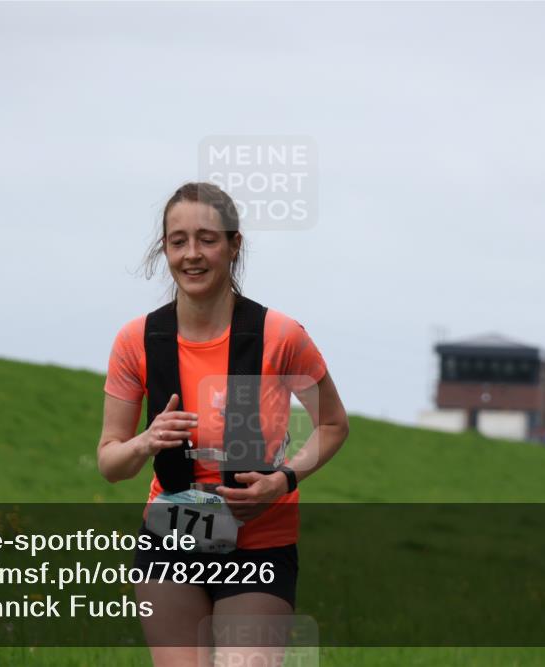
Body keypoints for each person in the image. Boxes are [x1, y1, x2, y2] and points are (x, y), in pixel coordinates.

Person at [97, 182, 350, 667]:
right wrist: (146, 442)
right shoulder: (137, 341)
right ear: (165, 250)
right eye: (178, 241)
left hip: (261, 545)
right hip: (170, 539)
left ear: (234, 245)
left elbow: (333, 425)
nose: (192, 254)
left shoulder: (281, 336)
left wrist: (282, 480)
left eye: (207, 239)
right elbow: (110, 462)